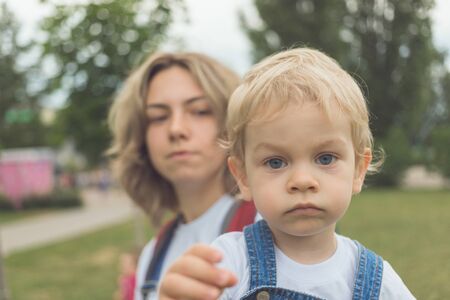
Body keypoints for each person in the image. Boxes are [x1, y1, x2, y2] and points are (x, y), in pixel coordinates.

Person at [159, 47, 416, 299]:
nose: (302, 181)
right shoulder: (229, 264)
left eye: (325, 158)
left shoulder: (378, 280)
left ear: (358, 170)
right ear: (243, 176)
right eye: (275, 162)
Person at [107, 52, 257, 300]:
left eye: (199, 111)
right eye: (158, 117)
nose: (176, 129)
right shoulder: (152, 256)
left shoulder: (270, 227)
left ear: (232, 124)